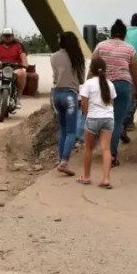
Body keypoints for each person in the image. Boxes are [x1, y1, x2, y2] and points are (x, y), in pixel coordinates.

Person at [91, 19, 137, 167]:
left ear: (111, 34)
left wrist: (87, 87)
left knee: (101, 117)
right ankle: (112, 155)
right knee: (116, 121)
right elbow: (135, 73)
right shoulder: (130, 49)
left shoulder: (101, 46)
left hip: (102, 85)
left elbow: (92, 67)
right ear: (124, 35)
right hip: (122, 86)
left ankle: (99, 148)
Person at [77, 57, 117, 189]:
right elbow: (112, 103)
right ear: (105, 69)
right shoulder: (110, 84)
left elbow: (83, 102)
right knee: (106, 149)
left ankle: (86, 177)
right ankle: (106, 179)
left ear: (91, 69)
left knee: (88, 148)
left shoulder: (88, 84)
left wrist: (86, 114)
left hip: (93, 118)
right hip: (108, 118)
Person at [50, 31, 86, 176]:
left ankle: (61, 160)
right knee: (72, 131)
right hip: (70, 96)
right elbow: (82, 80)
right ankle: (64, 162)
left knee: (63, 130)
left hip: (56, 95)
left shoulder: (53, 57)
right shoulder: (77, 57)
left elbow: (55, 77)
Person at [0, 28, 28, 109]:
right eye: (5, 36)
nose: (7, 37)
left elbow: (23, 55)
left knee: (22, 74)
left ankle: (18, 98)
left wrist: (24, 63)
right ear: (2, 36)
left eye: (9, 36)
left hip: (15, 69)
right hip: (0, 68)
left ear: (12, 36)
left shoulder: (18, 45)